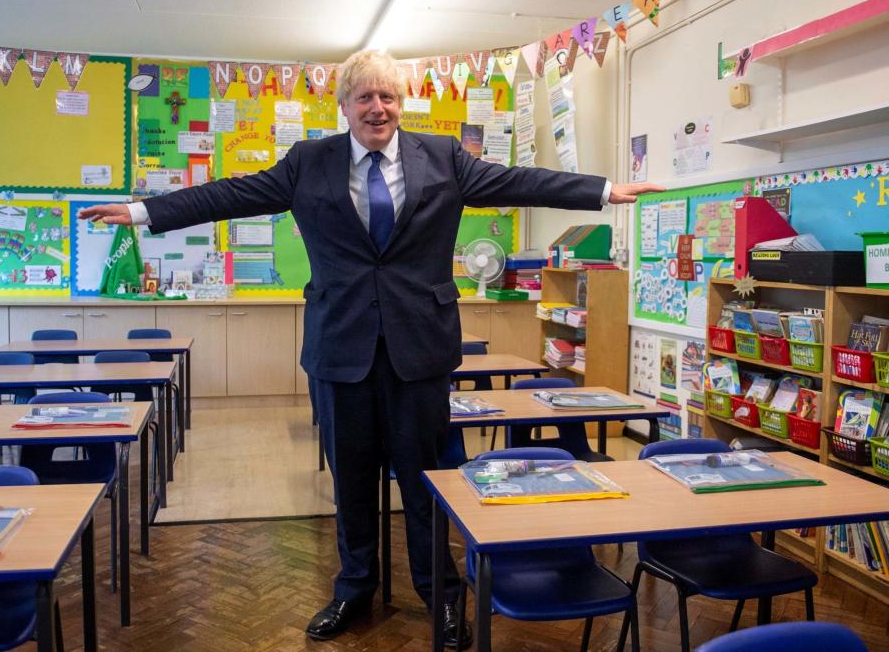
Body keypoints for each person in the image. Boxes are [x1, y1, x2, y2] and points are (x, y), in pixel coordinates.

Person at [79, 49, 664, 648]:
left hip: (420, 347)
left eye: (387, 97)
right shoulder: (310, 162)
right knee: (352, 480)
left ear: (400, 104)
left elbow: (522, 180)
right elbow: (232, 195)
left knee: (426, 480)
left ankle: (441, 595)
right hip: (341, 348)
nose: (377, 108)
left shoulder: (441, 157)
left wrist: (603, 190)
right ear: (345, 105)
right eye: (365, 97)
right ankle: (353, 589)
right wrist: (142, 210)